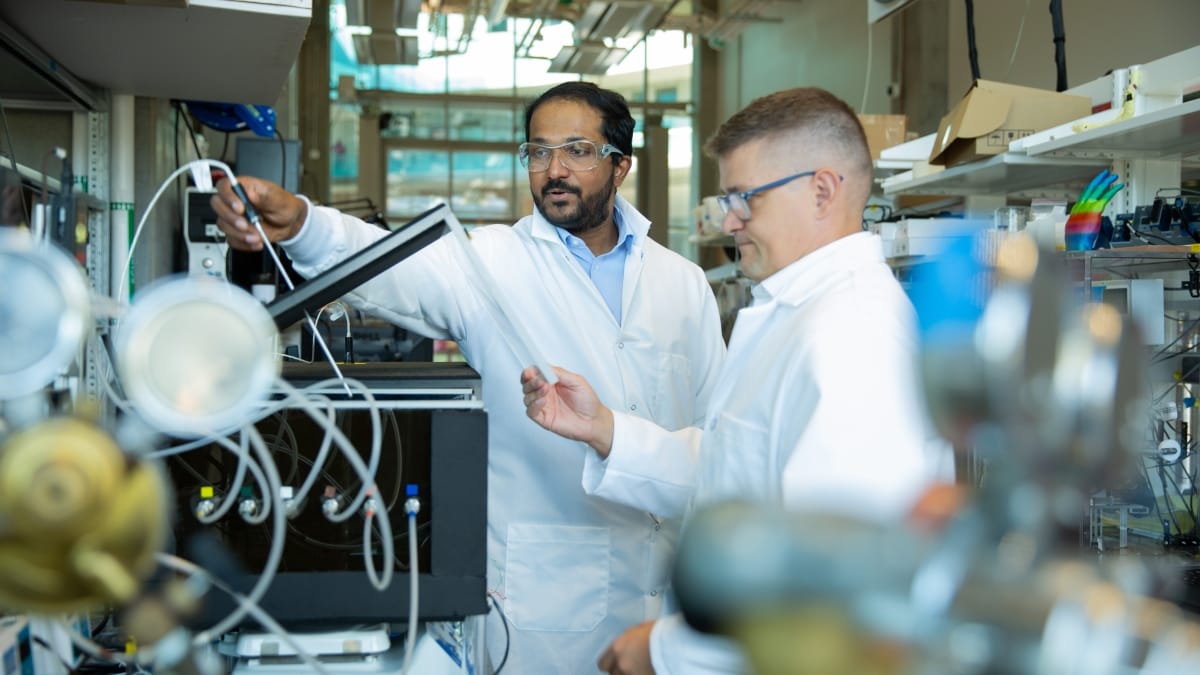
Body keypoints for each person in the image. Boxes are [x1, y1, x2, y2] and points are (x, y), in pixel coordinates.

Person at [210, 81, 726, 673]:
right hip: (547, 605)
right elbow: (392, 265)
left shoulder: (682, 282)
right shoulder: (492, 259)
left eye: (577, 150)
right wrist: (302, 224)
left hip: (676, 603)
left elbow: (719, 442)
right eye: (538, 152)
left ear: (621, 164)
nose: (553, 170)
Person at [521, 87, 953, 675]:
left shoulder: (852, 335)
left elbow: (839, 586)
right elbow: (732, 469)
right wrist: (606, 431)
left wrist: (667, 650)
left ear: (823, 190)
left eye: (745, 199)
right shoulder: (797, 313)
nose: (729, 221)